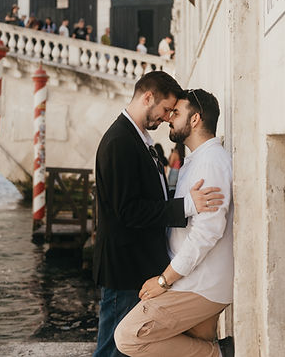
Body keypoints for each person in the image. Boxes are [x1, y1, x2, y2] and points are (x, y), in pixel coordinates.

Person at [93, 72, 224, 357]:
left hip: (142, 265)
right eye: (166, 110)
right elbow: (127, 211)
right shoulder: (119, 141)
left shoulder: (138, 138)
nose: (166, 118)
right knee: (113, 349)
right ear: (147, 97)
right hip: (125, 268)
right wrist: (187, 205)